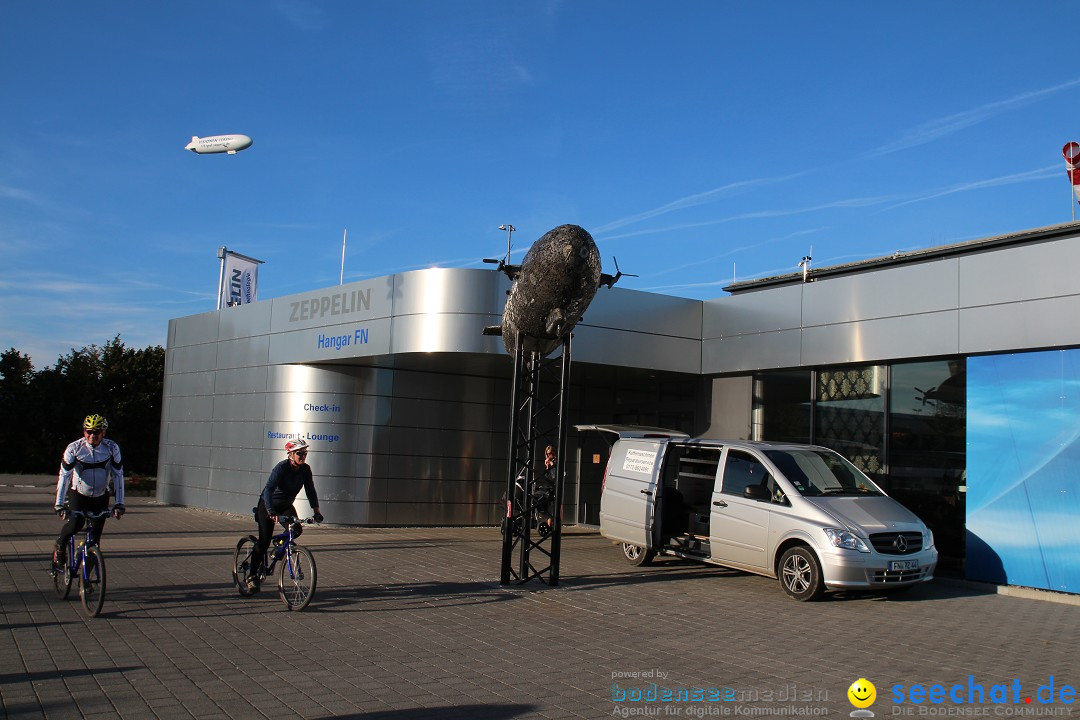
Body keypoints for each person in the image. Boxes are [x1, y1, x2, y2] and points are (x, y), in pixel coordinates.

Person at [248, 438, 323, 591]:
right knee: (263, 542)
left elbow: (310, 491)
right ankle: (252, 576)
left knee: (296, 529)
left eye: (305, 453)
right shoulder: (281, 468)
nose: (303, 456)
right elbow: (268, 490)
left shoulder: (305, 470)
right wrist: (270, 511)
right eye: (299, 453)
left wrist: (316, 512)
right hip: (268, 505)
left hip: (285, 506)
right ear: (290, 454)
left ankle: (280, 545)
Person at [53, 414, 125, 572]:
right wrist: (59, 504)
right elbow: (64, 476)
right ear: (84, 431)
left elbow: (118, 476)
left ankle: (88, 582)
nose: (93, 435)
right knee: (75, 525)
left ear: (103, 433)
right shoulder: (74, 448)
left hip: (100, 496)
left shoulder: (112, 448)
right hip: (79, 494)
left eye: (97, 432)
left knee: (95, 538)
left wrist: (119, 503)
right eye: (89, 431)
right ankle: (61, 544)